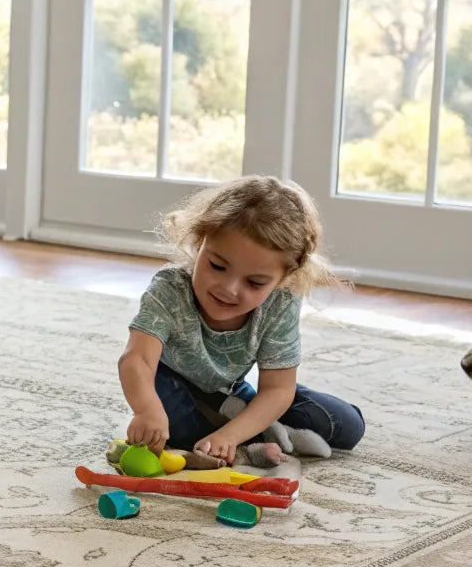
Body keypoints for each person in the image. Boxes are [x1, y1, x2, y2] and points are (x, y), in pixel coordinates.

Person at [119, 175, 365, 467]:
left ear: (284, 277)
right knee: (174, 421)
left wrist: (230, 436)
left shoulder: (281, 301)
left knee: (347, 425)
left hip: (233, 392)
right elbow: (138, 360)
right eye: (217, 266)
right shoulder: (169, 288)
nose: (229, 289)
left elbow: (277, 389)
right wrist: (147, 409)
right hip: (172, 383)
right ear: (200, 241)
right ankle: (254, 441)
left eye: (255, 282)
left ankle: (244, 433)